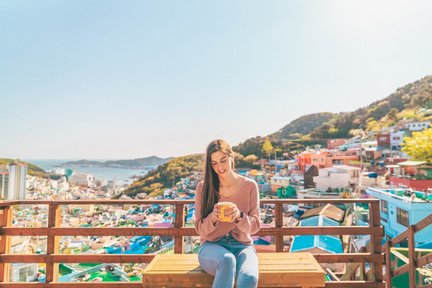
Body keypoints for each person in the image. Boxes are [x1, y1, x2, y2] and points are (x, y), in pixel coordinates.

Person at [194, 139, 261, 288]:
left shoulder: (250, 185)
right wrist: (213, 217)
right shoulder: (203, 188)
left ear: (232, 157)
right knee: (227, 260)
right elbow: (199, 228)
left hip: (243, 245)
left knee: (249, 277)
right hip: (211, 246)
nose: (220, 167)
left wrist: (239, 216)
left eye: (223, 160)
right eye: (214, 163)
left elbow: (255, 226)